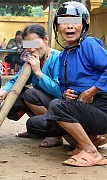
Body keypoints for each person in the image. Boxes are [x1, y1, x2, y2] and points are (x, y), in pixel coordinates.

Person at [26, 1, 107, 167]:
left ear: (84, 25)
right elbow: (63, 85)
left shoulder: (89, 44)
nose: (69, 26)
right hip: (82, 108)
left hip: (102, 109)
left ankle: (91, 152)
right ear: (57, 27)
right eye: (63, 22)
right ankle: (89, 139)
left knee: (57, 106)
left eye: (75, 22)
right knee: (36, 124)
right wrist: (64, 93)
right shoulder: (64, 55)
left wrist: (91, 91)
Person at [0, 24, 62, 147]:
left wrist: (38, 73)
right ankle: (41, 130)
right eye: (28, 46)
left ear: (46, 40)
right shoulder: (32, 59)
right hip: (42, 101)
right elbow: (16, 80)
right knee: (16, 95)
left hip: (58, 104)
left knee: (30, 94)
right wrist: (4, 92)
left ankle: (55, 133)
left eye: (35, 44)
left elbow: (59, 91)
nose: (32, 49)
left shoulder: (59, 58)